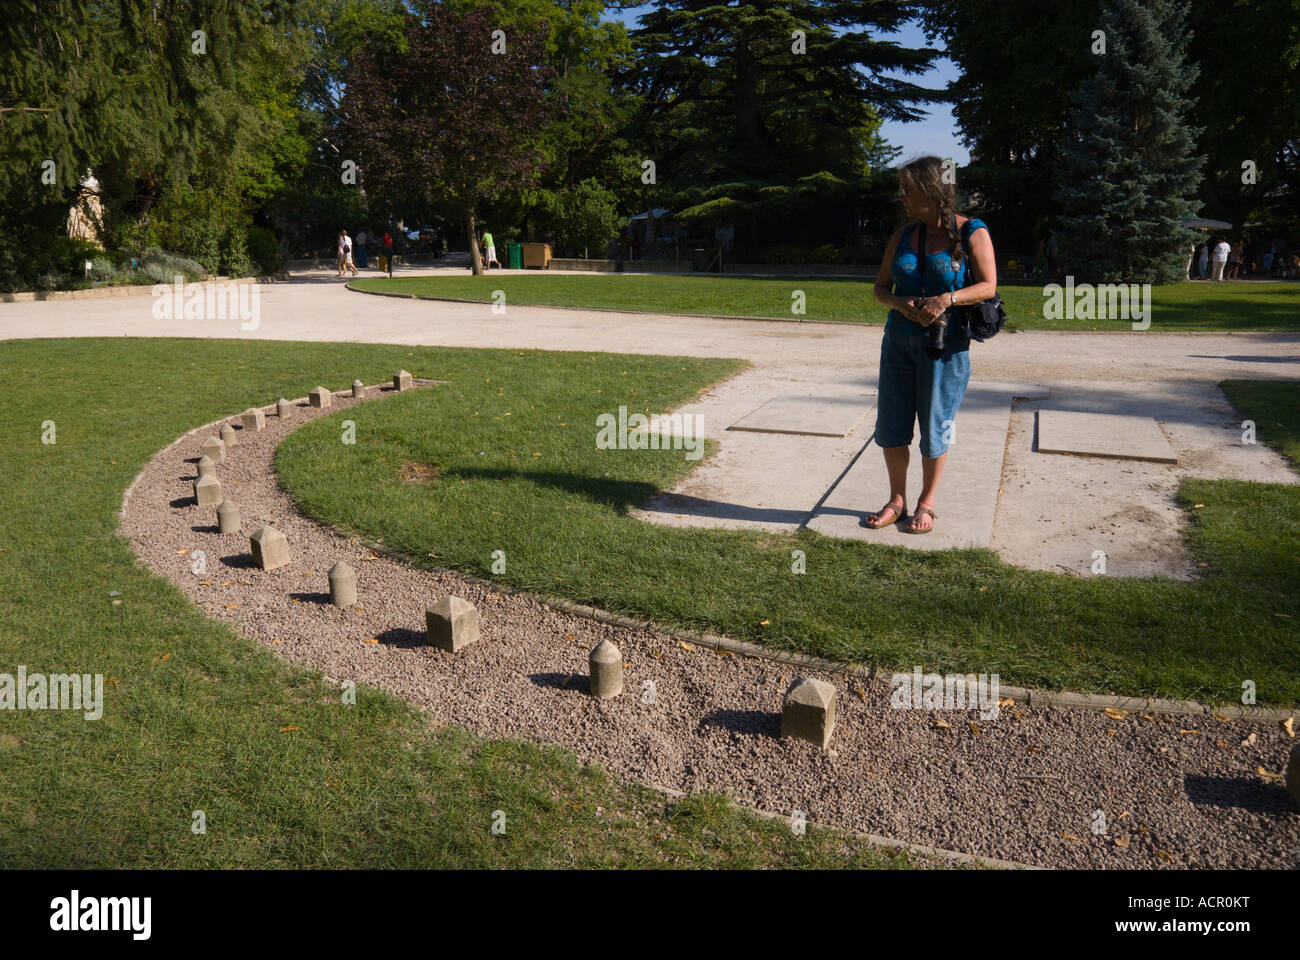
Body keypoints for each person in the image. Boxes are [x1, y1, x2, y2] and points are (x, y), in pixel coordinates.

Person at [862, 155, 996, 534]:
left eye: (909, 189)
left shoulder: (972, 231)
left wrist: (946, 300)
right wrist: (897, 303)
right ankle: (897, 500)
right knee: (891, 424)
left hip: (945, 347)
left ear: (933, 191)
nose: (902, 196)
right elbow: (879, 288)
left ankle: (927, 503)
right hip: (899, 343)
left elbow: (989, 285)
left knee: (936, 424)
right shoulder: (903, 235)